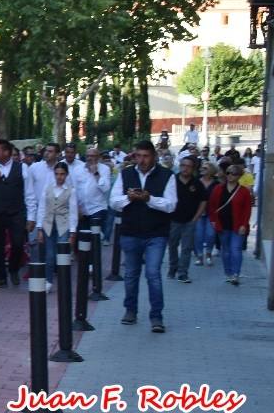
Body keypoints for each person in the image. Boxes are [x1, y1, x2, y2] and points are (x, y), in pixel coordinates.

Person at [110, 140, 177, 333]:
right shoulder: (126, 173)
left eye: (146, 156)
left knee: (153, 274)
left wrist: (150, 199)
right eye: (138, 156)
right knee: (131, 274)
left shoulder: (167, 176)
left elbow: (171, 205)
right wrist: (128, 199)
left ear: (154, 156)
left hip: (156, 233)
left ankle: (156, 316)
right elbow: (113, 202)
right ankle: (130, 310)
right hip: (131, 231)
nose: (142, 160)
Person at [0, 138, 34, 288]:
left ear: (6, 152)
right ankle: (1, 277)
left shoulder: (22, 168)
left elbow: (30, 194)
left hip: (16, 212)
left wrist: (31, 217)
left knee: (18, 244)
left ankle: (13, 269)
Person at [35, 161, 79, 293]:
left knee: (62, 254)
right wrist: (39, 228)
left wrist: (72, 232)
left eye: (62, 174)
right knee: (49, 255)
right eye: (57, 174)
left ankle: (64, 280)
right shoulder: (48, 188)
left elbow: (73, 211)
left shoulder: (71, 191)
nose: (59, 177)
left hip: (63, 224)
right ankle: (48, 281)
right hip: (48, 224)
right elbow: (42, 208)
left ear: (66, 175)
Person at [208, 164, 253, 286]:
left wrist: (244, 224)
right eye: (228, 173)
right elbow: (212, 206)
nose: (230, 176)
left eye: (233, 173)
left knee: (236, 249)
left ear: (239, 176)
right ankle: (228, 273)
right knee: (225, 250)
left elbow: (247, 210)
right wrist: (213, 220)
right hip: (222, 225)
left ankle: (235, 274)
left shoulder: (244, 191)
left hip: (238, 226)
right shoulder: (218, 189)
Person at [165, 156, 206, 283]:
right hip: (173, 219)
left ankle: (183, 272)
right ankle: (172, 268)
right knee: (172, 245)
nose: (185, 168)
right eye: (183, 165)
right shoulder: (172, 180)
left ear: (193, 168)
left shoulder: (197, 183)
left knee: (186, 247)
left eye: (188, 166)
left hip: (190, 221)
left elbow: (204, 201)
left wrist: (196, 218)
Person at [74, 147, 111, 244]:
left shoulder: (104, 169)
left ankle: (95, 258)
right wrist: (77, 208)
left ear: (98, 157)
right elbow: (74, 189)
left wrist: (96, 173)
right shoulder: (78, 169)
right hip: (82, 210)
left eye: (93, 156)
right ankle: (85, 259)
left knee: (95, 239)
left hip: (97, 209)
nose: (90, 158)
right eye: (88, 156)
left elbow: (105, 188)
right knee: (83, 241)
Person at [194, 161, 220, 266]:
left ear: (211, 170)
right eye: (202, 168)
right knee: (198, 235)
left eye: (205, 168)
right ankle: (200, 256)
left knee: (210, 234)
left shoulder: (216, 184)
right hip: (199, 212)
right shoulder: (196, 182)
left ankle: (208, 254)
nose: (202, 170)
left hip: (212, 213)